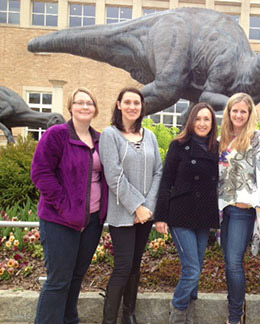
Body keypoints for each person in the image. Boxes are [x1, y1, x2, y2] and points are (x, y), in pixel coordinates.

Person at [31, 87, 108, 324]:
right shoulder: (57, 135)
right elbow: (41, 173)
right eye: (79, 102)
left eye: (89, 103)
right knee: (58, 280)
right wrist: (65, 207)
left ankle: (69, 320)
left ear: (95, 109)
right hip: (59, 221)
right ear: (71, 107)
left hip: (92, 221)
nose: (84, 107)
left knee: (76, 278)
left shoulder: (100, 139)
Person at [99, 87, 162, 324]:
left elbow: (158, 172)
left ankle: (129, 315)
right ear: (119, 105)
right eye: (128, 102)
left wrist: (147, 207)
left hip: (145, 215)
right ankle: (109, 320)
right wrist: (136, 206)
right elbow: (114, 176)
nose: (132, 106)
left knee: (135, 267)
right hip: (123, 213)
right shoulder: (110, 135)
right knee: (123, 267)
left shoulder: (151, 136)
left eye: (137, 102)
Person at [153, 102, 220, 324]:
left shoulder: (217, 148)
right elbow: (166, 182)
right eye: (198, 119)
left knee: (197, 268)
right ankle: (178, 314)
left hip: (203, 216)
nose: (202, 123)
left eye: (206, 119)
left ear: (212, 123)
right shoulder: (179, 146)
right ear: (191, 122)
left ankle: (189, 315)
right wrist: (161, 216)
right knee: (192, 269)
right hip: (180, 214)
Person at [218, 92, 260, 324]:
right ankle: (235, 305)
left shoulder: (258, 138)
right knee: (229, 261)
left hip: (242, 212)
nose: (239, 115)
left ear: (250, 113)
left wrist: (254, 201)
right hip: (223, 209)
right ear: (229, 112)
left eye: (243, 111)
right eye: (235, 110)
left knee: (234, 262)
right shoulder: (222, 137)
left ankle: (235, 316)